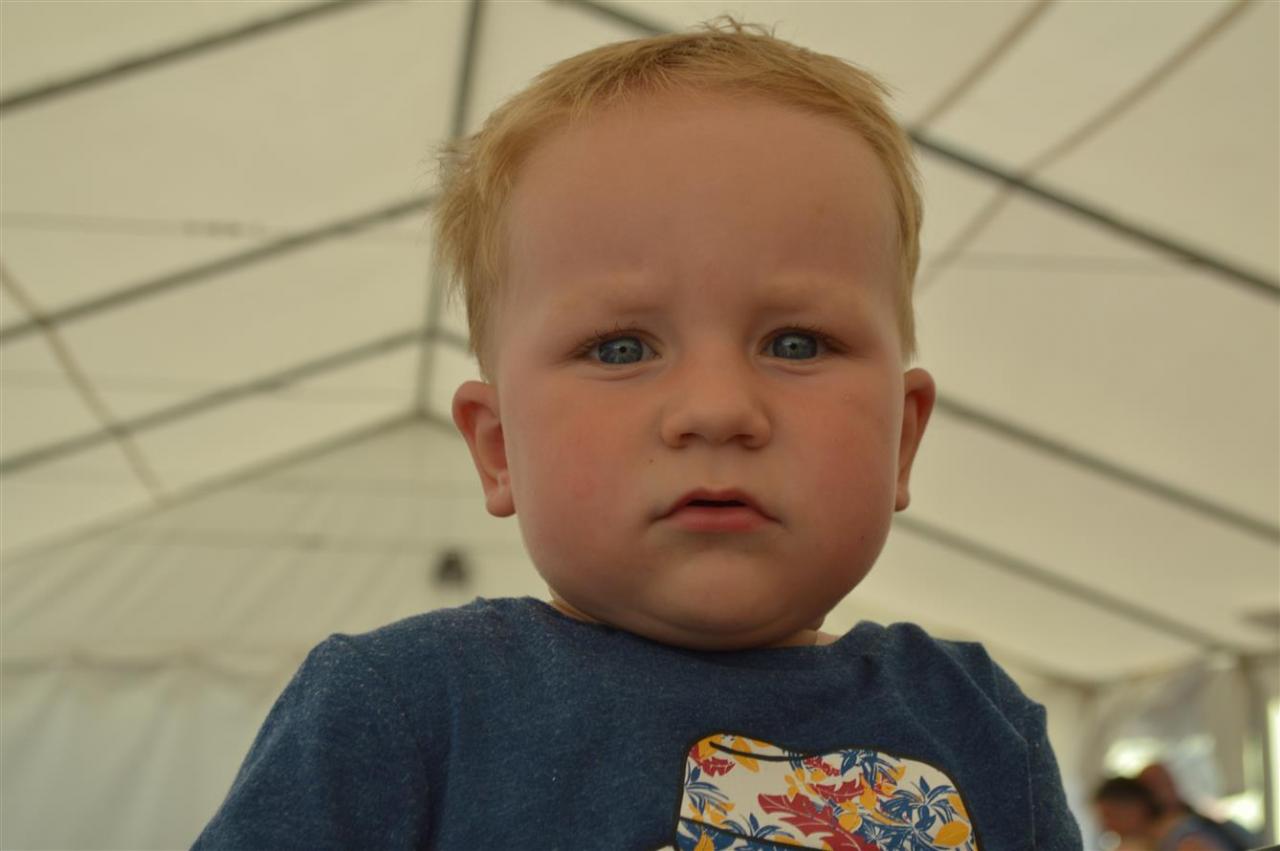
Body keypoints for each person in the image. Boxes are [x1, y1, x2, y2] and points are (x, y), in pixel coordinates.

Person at [193, 19, 1082, 850]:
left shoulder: (979, 722)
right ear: (498, 448)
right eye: (621, 348)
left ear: (902, 439)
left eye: (797, 343)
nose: (718, 408)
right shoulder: (407, 709)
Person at [1137, 763, 1261, 851]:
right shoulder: (1170, 834)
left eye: (1167, 780)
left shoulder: (1198, 817)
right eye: (1158, 784)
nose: (1168, 787)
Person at [1094, 776, 1236, 851]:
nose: (1106, 826)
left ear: (1134, 808)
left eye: (1109, 816)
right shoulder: (1159, 842)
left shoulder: (1183, 840)